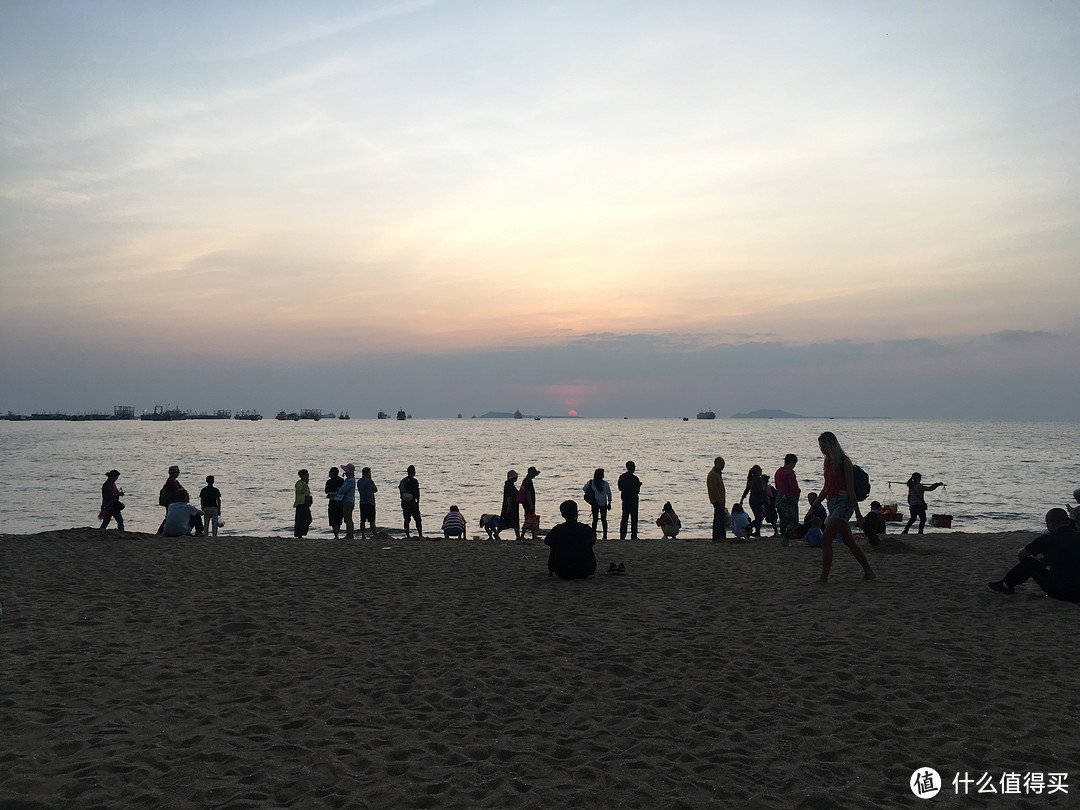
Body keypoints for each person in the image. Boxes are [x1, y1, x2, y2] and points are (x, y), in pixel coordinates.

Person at [812, 431, 875, 584]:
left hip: (844, 503)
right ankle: (869, 572)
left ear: (830, 445)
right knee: (849, 542)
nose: (822, 450)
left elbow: (851, 490)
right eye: (820, 447)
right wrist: (814, 505)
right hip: (832, 503)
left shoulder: (845, 462)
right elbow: (826, 488)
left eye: (823, 446)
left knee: (825, 539)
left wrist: (859, 514)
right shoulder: (828, 463)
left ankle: (823, 578)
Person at [988, 509, 1080, 602]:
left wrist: (1042, 561)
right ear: (1067, 521)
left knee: (1029, 563)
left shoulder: (1046, 538)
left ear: (1050, 523)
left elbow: (1022, 554)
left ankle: (1005, 585)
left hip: (1061, 591)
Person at [544, 500, 597, 580]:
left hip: (562, 571)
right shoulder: (585, 529)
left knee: (554, 545)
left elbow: (547, 541)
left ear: (562, 514)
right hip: (585, 570)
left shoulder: (558, 529)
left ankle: (552, 569)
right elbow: (592, 541)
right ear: (576, 512)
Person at [774, 454, 801, 543]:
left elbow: (777, 486)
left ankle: (784, 537)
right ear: (792, 462)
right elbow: (793, 487)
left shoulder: (778, 471)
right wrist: (797, 494)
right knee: (793, 520)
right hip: (789, 498)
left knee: (783, 520)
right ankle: (786, 537)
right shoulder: (789, 473)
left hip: (780, 498)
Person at [584, 468, 612, 540]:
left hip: (595, 502)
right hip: (603, 503)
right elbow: (609, 494)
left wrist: (591, 494)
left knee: (595, 519)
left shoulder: (591, 482)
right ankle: (605, 535)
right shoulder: (605, 484)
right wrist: (609, 502)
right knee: (604, 519)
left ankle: (594, 535)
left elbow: (584, 488)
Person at [156, 464, 184, 535]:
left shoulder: (174, 481)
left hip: (172, 503)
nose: (178, 473)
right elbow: (176, 492)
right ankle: (160, 532)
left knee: (168, 517)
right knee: (168, 517)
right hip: (171, 503)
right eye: (177, 472)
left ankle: (162, 531)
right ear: (174, 473)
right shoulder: (171, 482)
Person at [617, 461, 642, 540]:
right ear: (632, 468)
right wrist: (639, 485)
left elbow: (620, 488)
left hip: (625, 499)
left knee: (624, 518)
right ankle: (633, 535)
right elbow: (637, 491)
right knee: (634, 518)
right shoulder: (635, 478)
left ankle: (622, 535)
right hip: (633, 500)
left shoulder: (622, 477)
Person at [738, 465, 765, 538]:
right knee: (758, 518)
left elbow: (746, 490)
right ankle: (747, 528)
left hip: (752, 500)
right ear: (758, 471)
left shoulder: (750, 479)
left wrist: (742, 499)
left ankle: (757, 532)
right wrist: (766, 497)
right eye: (760, 470)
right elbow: (760, 490)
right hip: (757, 500)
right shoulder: (757, 479)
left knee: (757, 517)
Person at [398, 465, 423, 538]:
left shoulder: (403, 481)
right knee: (417, 519)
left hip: (404, 502)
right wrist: (417, 502)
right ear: (414, 472)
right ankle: (420, 534)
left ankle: (407, 534)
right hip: (412, 502)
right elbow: (417, 493)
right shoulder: (414, 481)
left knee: (406, 519)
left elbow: (401, 491)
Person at [707, 457, 727, 542]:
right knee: (720, 518)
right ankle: (721, 536)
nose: (723, 466)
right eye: (722, 464)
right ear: (717, 463)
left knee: (717, 519)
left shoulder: (717, 474)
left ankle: (716, 537)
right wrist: (720, 501)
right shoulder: (713, 475)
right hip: (716, 500)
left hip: (719, 499)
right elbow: (714, 490)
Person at [336, 464, 358, 539]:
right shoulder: (350, 480)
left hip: (347, 501)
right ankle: (349, 534)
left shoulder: (350, 480)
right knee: (348, 518)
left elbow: (342, 490)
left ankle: (350, 535)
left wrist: (338, 491)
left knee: (348, 519)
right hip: (349, 500)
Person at [497, 470, 520, 541]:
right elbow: (509, 497)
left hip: (511, 506)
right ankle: (497, 533)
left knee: (510, 521)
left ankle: (518, 536)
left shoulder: (509, 485)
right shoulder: (509, 486)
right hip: (511, 506)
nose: (517, 478)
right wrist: (509, 507)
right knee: (511, 520)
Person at [357, 467, 378, 539]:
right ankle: (375, 534)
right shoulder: (369, 481)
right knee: (372, 520)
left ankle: (363, 535)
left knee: (362, 520)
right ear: (367, 473)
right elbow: (375, 489)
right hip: (370, 502)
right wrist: (371, 479)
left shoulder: (359, 481)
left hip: (362, 502)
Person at [520, 466, 541, 540]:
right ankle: (522, 535)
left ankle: (533, 535)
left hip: (526, 503)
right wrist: (531, 505)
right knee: (528, 518)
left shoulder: (526, 480)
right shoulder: (528, 481)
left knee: (531, 518)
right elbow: (528, 493)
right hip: (528, 503)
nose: (535, 476)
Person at [325, 467, 344, 539]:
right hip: (340, 501)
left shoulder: (329, 482)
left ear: (333, 473)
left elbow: (326, 491)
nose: (329, 473)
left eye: (330, 472)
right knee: (339, 518)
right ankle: (337, 533)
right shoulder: (341, 480)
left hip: (332, 501)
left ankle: (336, 535)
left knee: (333, 519)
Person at [294, 469, 312, 538]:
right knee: (302, 519)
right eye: (306, 474)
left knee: (308, 519)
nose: (308, 476)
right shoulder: (299, 483)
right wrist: (306, 484)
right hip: (300, 503)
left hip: (305, 503)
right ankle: (299, 534)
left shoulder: (304, 483)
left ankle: (301, 532)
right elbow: (301, 491)